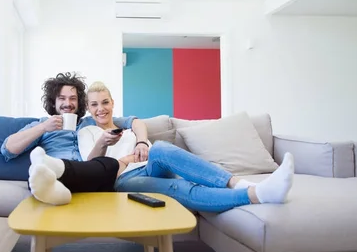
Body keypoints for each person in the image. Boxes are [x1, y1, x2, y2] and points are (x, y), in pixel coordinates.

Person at [27, 81, 295, 213]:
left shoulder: (126, 124)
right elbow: (89, 166)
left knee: (162, 149)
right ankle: (257, 194)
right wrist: (103, 143)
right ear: (88, 107)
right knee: (180, 189)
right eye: (94, 104)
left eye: (105, 102)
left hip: (149, 166)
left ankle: (238, 183)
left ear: (112, 103)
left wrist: (142, 142)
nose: (100, 109)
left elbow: (137, 123)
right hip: (123, 179)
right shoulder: (85, 129)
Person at [1, 72, 147, 204]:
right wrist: (44, 128)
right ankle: (56, 184)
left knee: (110, 164)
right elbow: (8, 149)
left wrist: (141, 142)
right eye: (62, 98)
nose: (68, 103)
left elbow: (134, 122)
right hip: (54, 171)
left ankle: (58, 189)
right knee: (41, 172)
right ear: (54, 102)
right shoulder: (42, 124)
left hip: (89, 174)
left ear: (80, 102)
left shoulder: (93, 120)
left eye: (73, 98)